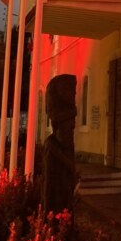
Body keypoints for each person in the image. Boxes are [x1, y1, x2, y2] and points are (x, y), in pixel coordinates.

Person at [42, 74, 77, 213]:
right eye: (69, 128)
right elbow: (47, 189)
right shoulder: (52, 149)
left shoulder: (67, 148)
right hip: (54, 213)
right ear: (57, 128)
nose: (71, 133)